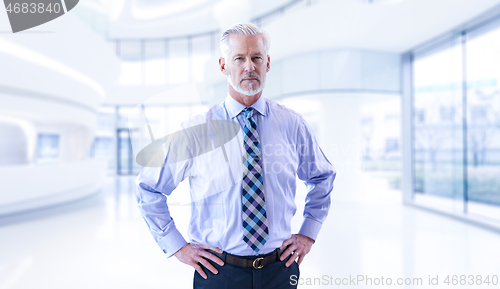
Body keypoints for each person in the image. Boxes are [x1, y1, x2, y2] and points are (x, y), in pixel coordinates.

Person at [135, 23, 336, 289]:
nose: (249, 66)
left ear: (267, 64)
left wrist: (308, 234)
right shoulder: (195, 133)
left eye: (257, 58)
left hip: (280, 271)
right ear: (223, 66)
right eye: (239, 58)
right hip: (218, 272)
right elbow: (148, 188)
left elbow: (322, 176)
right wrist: (178, 246)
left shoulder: (292, 125)